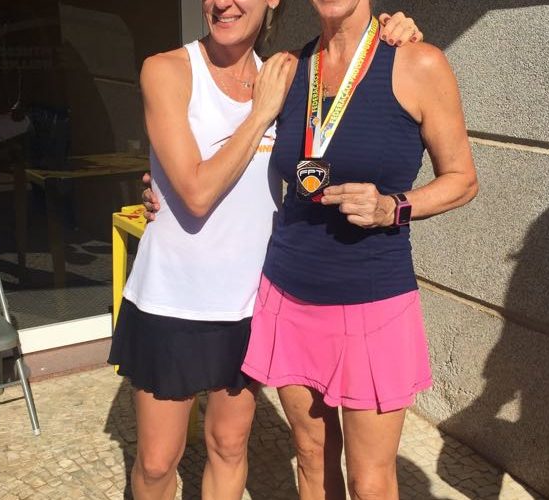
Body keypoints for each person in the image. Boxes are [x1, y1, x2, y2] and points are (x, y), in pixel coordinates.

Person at [108, 2, 423, 499]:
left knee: (230, 445)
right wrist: (259, 116)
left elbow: (347, 75)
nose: (223, 3)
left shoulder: (288, 74)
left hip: (249, 301)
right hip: (172, 299)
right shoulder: (168, 70)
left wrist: (393, 29)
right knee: (155, 462)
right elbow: (195, 193)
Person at [239, 1, 479, 499]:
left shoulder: (418, 63)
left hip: (372, 300)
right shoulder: (288, 69)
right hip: (288, 294)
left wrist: (394, 207)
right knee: (310, 456)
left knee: (369, 481)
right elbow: (234, 143)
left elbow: (462, 179)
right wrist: (163, 190)